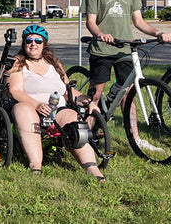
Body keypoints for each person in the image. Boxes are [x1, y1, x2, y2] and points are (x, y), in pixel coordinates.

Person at [82, 0, 171, 151]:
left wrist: (157, 33)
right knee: (96, 94)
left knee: (128, 93)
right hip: (102, 49)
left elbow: (138, 21)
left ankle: (136, 137)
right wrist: (100, 35)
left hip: (125, 50)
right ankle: (86, 134)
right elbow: (91, 21)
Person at [6, 24, 105, 181]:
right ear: (24, 43)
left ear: (44, 44)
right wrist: (37, 105)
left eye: (38, 41)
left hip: (57, 106)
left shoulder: (53, 62)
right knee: (24, 113)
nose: (33, 44)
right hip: (29, 105)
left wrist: (87, 102)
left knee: (74, 121)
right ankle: (36, 165)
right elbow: (15, 91)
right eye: (29, 40)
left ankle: (91, 167)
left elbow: (67, 90)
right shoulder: (17, 62)